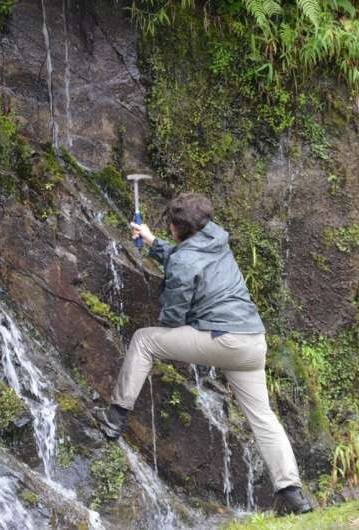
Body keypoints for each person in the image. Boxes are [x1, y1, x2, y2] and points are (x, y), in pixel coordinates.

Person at [93, 192, 312, 515]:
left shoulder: (185, 257)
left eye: (170, 226)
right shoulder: (215, 236)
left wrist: (167, 286)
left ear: (178, 227)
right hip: (252, 340)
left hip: (223, 340)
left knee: (144, 340)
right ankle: (292, 494)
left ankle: (114, 419)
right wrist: (153, 243)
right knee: (263, 417)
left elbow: (172, 317)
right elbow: (186, 258)